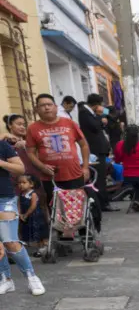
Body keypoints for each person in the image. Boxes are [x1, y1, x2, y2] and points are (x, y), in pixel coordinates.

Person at [25, 93, 101, 239]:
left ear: (55, 107)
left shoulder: (69, 123)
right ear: (37, 109)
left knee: (78, 205)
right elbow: (30, 152)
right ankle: (60, 238)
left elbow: (84, 145)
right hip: (50, 177)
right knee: (55, 208)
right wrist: (41, 166)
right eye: (42, 105)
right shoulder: (33, 128)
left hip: (74, 173)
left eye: (49, 104)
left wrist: (85, 167)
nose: (46, 108)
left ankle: (85, 235)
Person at [0, 132, 44, 296]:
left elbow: (20, 168)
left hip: (3, 198)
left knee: (10, 241)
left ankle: (32, 277)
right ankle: (5, 279)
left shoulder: (1, 145)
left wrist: (1, 163)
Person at [79, 94, 113, 211]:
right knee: (99, 178)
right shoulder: (84, 112)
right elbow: (94, 127)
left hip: (100, 149)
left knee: (102, 177)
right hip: (95, 150)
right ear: (96, 104)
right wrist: (101, 119)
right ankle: (102, 203)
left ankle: (103, 201)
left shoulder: (91, 113)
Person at [17, 174, 48, 252]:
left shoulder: (33, 194)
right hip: (25, 216)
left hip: (35, 216)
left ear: (31, 184)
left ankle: (42, 247)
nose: (21, 185)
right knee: (28, 231)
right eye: (19, 183)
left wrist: (26, 214)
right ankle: (34, 247)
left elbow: (33, 206)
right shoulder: (21, 195)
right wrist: (20, 214)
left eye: (24, 182)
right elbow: (19, 205)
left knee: (38, 232)